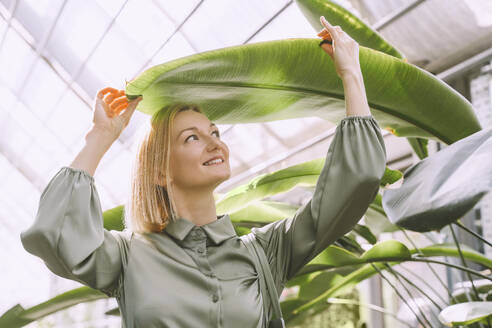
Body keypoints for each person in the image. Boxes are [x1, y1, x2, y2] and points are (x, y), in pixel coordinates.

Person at [20, 16, 387, 327]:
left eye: (215, 132)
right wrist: (100, 137)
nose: (215, 143)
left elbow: (354, 182)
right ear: (160, 171)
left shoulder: (266, 252)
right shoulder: (128, 257)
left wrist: (351, 75)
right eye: (192, 137)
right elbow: (53, 234)